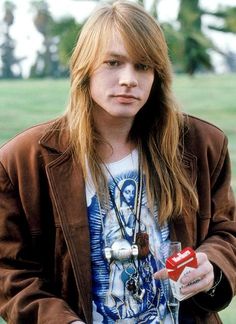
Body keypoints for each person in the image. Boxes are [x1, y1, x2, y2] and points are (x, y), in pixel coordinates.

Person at [0, 1, 235, 323]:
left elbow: (227, 231)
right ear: (85, 67)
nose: (128, 79)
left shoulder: (202, 145)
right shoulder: (23, 161)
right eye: (113, 62)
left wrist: (213, 263)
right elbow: (10, 270)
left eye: (143, 66)